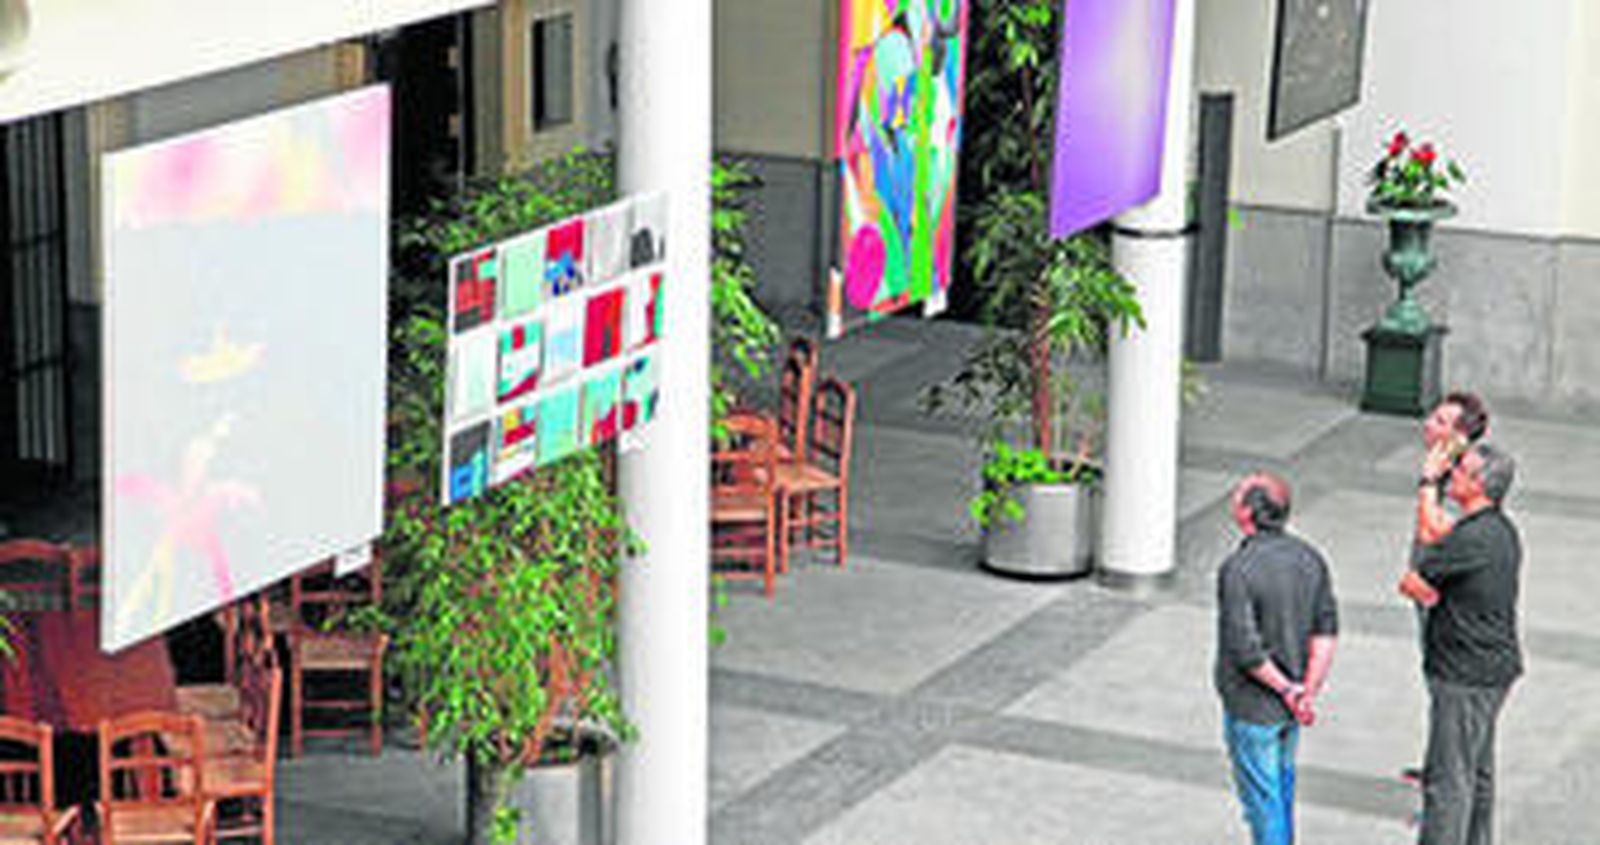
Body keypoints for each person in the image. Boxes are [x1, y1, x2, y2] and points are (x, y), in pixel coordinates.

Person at [1398, 442, 1521, 845]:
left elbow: (1413, 579)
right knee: (1477, 770)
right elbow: (1436, 532)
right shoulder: (1495, 530)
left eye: (1462, 471)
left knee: (1448, 779)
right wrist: (1429, 485)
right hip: (1493, 671)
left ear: (1480, 485)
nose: (1454, 473)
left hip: (1463, 675)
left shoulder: (1470, 540)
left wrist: (1428, 481)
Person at [1215, 473, 1339, 845]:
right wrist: (1305, 693)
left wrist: (1287, 690)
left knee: (1263, 803)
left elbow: (1246, 650)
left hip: (1254, 706)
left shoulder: (1238, 569)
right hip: (1292, 705)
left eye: (1237, 497)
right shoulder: (1310, 558)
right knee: (1281, 790)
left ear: (1246, 513)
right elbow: (1326, 631)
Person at [1404, 392, 1490, 785]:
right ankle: (1439, 763)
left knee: (1447, 688)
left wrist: (1428, 480)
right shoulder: (1446, 476)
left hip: (1441, 597)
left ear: (1459, 438)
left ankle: (1446, 774)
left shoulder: (1459, 484)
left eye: (1440, 421)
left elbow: (1437, 534)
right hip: (1432, 590)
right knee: (1437, 684)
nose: (1429, 424)